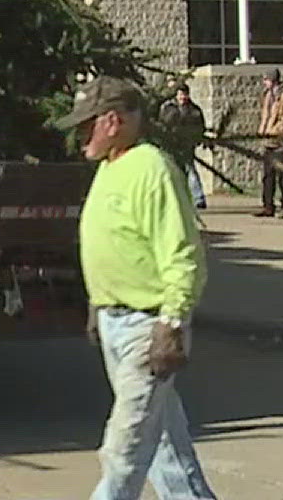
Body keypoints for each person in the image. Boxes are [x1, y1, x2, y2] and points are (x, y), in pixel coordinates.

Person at [60, 76, 218, 500]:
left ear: (112, 121)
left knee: (123, 449)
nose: (79, 138)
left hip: (148, 328)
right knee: (164, 440)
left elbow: (183, 254)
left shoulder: (152, 169)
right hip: (118, 321)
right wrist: (99, 304)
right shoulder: (112, 167)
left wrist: (172, 324)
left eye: (85, 126)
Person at [158, 84, 208, 210]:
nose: (183, 97)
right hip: (172, 144)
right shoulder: (169, 109)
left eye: (184, 94)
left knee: (190, 169)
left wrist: (196, 138)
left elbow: (200, 126)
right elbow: (163, 124)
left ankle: (198, 198)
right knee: (173, 171)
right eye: (180, 94)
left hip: (186, 143)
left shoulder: (194, 110)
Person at [255, 69, 283, 218]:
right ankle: (268, 206)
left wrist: (276, 130)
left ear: (273, 80)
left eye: (266, 79)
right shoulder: (267, 95)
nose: (264, 82)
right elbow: (265, 115)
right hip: (268, 141)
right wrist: (262, 131)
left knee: (282, 174)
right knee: (267, 175)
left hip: (281, 141)